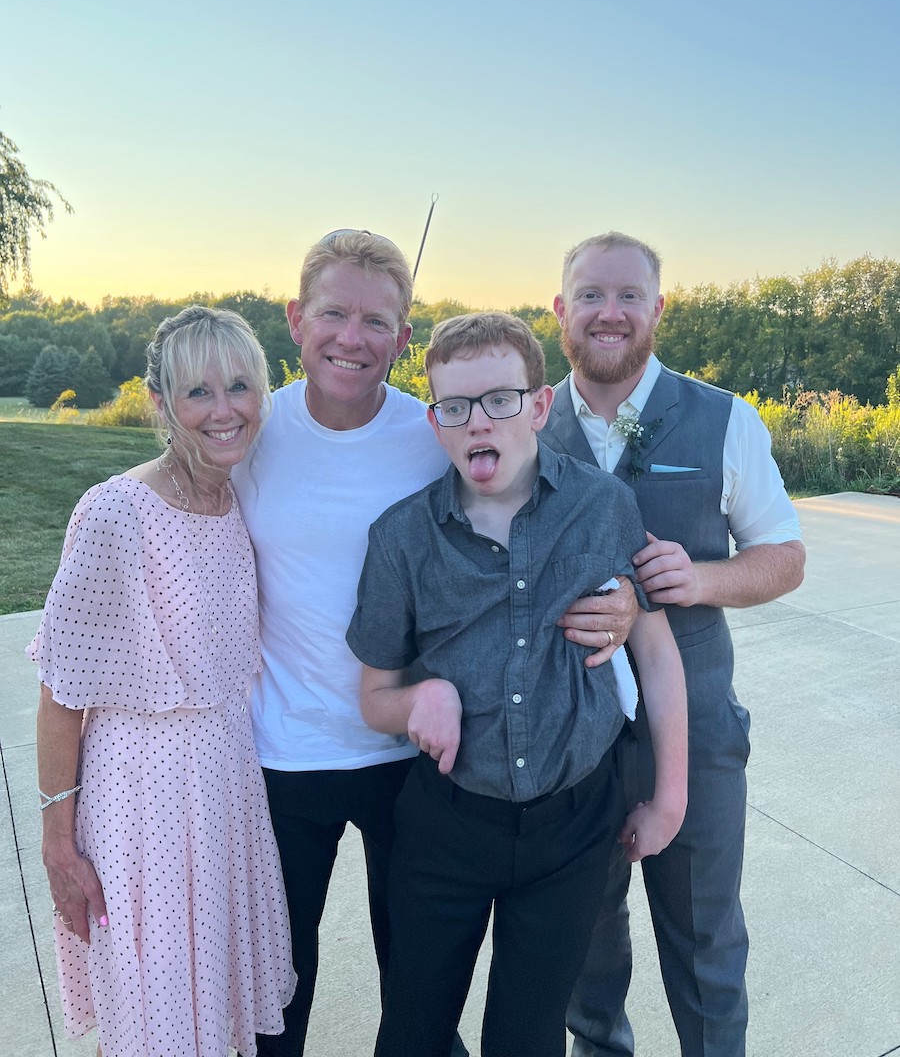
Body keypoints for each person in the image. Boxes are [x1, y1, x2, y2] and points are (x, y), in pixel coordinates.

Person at [231, 230, 635, 1056]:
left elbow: (554, 503)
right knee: (278, 988)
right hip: (285, 753)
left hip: (414, 763)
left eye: (377, 320)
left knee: (416, 996)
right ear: (295, 319)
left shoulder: (432, 429)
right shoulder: (251, 433)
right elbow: (176, 503)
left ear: (403, 338)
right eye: (334, 312)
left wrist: (623, 596)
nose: (352, 336)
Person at [347, 311, 688, 1057]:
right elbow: (373, 697)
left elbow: (657, 654)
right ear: (435, 419)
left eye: (500, 400)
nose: (479, 423)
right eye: (456, 407)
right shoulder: (402, 538)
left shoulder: (602, 507)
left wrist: (670, 797)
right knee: (411, 1034)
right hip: (447, 826)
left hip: (572, 828)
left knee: (528, 1039)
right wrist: (416, 701)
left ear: (538, 405)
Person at [542, 232, 806, 1057]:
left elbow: (784, 557)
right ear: (561, 311)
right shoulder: (527, 420)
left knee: (707, 950)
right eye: (590, 295)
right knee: (586, 954)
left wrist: (703, 580)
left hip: (696, 734)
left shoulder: (725, 419)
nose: (608, 313)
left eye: (628, 296)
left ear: (658, 308)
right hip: (567, 749)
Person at [31, 305, 296, 1057]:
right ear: (159, 402)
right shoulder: (117, 511)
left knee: (218, 1011)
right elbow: (59, 695)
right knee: (158, 1016)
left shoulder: (236, 499)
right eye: (198, 392)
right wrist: (59, 845)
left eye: (240, 386)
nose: (225, 410)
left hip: (227, 787)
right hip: (141, 803)